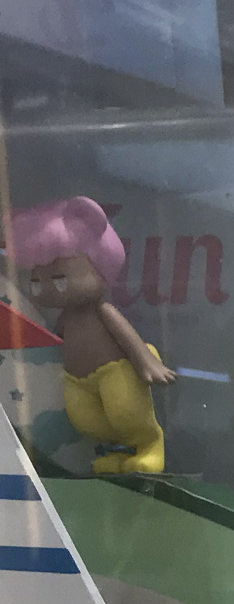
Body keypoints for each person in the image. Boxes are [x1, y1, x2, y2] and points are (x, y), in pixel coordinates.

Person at [9, 197, 174, 474]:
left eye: (59, 279)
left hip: (114, 370)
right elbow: (54, 338)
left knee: (126, 413)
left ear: (101, 268)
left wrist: (146, 362)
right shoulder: (66, 318)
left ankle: (150, 444)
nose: (45, 289)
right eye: (36, 281)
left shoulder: (103, 311)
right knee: (87, 421)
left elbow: (126, 336)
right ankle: (119, 454)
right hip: (77, 380)